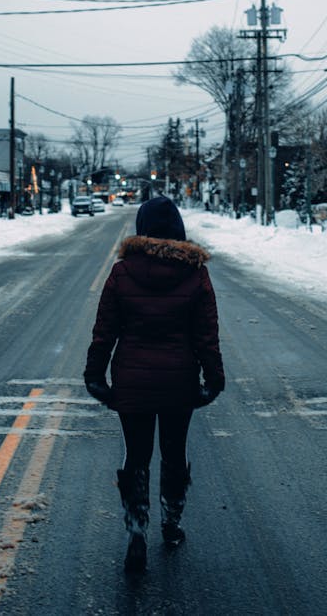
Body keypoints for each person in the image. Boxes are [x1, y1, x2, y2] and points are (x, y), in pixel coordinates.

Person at [84, 195, 225, 573]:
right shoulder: (196, 274)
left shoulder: (122, 272)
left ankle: (136, 532)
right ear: (179, 230)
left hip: (131, 381)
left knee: (137, 455)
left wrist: (95, 375)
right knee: (174, 454)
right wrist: (213, 378)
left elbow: (105, 332)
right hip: (179, 381)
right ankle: (171, 522)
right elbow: (206, 336)